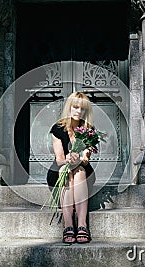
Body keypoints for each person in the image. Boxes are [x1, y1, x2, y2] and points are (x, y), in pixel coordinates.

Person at [47, 92, 96, 244]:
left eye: (82, 109)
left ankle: (82, 225)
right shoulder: (57, 128)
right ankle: (68, 224)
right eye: (75, 107)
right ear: (69, 108)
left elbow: (86, 160)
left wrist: (82, 157)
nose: (78, 112)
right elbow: (60, 159)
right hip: (61, 168)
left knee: (80, 171)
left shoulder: (89, 130)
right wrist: (68, 159)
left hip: (82, 169)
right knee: (65, 171)